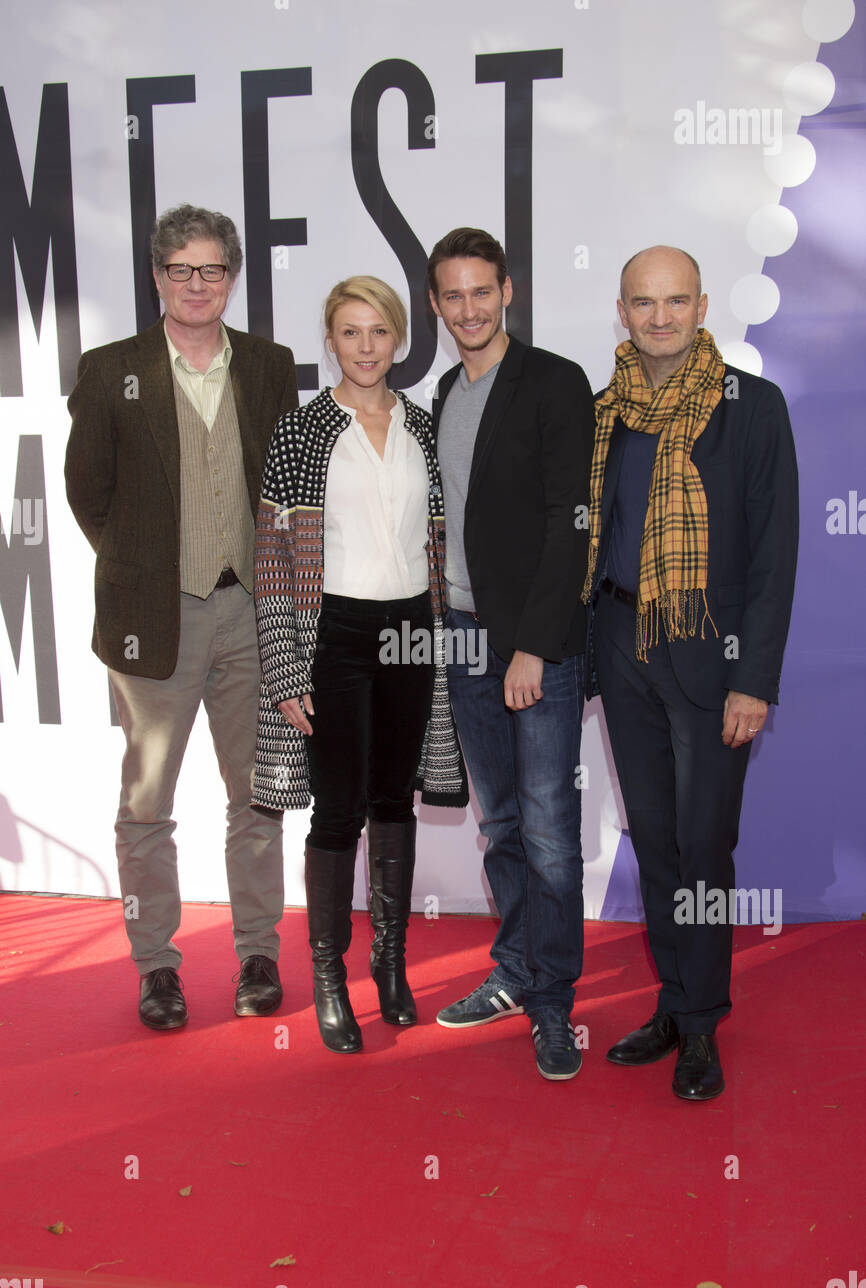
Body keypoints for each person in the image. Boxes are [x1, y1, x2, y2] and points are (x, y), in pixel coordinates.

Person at [65, 204, 298, 1030]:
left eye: (212, 269)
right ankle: (157, 968)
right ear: (158, 276)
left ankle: (258, 952)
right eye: (180, 269)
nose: (197, 285)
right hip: (150, 624)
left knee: (257, 796)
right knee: (147, 804)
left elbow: (289, 488)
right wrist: (141, 570)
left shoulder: (271, 365)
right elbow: (88, 494)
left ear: (232, 278)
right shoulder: (109, 370)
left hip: (250, 613)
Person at [584, 245, 798, 1100]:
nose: (660, 317)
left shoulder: (752, 408)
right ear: (624, 312)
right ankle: (673, 1004)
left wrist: (757, 679)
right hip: (622, 645)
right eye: (644, 303)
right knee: (657, 840)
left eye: (675, 301)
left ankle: (703, 1023)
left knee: (705, 845)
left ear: (702, 305)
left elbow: (774, 556)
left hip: (716, 662)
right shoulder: (608, 412)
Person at [251, 275, 467, 1054]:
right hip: (332, 633)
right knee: (338, 809)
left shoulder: (422, 427)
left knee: (394, 802)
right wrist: (284, 669)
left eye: (380, 332)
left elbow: (438, 544)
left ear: (399, 339)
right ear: (331, 341)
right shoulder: (301, 433)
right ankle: (329, 978)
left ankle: (392, 962)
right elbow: (271, 560)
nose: (367, 347)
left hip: (412, 629)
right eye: (351, 332)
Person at [427, 227, 595, 1081]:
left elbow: (573, 525)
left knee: (549, 830)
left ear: (508, 292)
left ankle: (555, 1004)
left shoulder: (556, 383)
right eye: (452, 295)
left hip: (535, 645)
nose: (469, 309)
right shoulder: (443, 394)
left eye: (481, 292)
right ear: (435, 303)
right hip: (460, 635)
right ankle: (519, 967)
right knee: (498, 823)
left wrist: (531, 647)